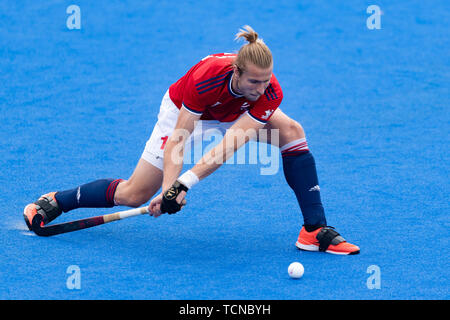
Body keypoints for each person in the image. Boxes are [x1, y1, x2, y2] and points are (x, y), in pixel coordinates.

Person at [24, 26, 359, 255]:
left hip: (232, 115)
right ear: (236, 73)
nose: (262, 89)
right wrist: (170, 188)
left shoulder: (268, 93)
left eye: (266, 81)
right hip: (185, 113)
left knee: (293, 131)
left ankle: (314, 230)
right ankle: (58, 200)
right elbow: (179, 142)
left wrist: (184, 183)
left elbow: (230, 145)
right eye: (254, 81)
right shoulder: (206, 79)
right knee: (134, 193)